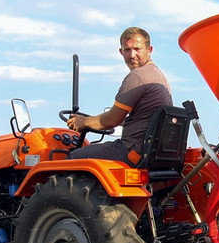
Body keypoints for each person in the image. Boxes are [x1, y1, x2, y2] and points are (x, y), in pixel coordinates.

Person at [66, 26, 172, 165]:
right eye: (127, 50)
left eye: (137, 49)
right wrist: (93, 120)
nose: (132, 55)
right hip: (149, 152)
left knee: (72, 158)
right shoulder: (159, 76)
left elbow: (111, 120)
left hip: (132, 152)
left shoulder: (137, 77)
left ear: (149, 50)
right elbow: (142, 117)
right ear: (121, 52)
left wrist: (83, 122)